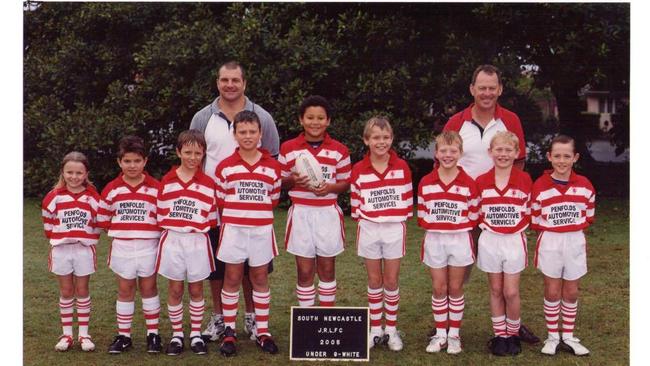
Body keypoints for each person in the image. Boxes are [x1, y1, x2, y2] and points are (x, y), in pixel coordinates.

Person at [443, 64, 538, 344]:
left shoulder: (511, 120)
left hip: (501, 210)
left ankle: (512, 327)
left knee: (507, 273)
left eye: (491, 88)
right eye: (481, 87)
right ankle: (447, 327)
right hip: (463, 208)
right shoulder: (456, 122)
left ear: (500, 89)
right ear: (472, 89)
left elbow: (519, 161)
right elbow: (444, 160)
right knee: (458, 268)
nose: (486, 93)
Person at [190, 61, 280, 343]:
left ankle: (253, 319)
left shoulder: (261, 116)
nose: (230, 85)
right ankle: (219, 319)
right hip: (212, 204)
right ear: (217, 82)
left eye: (235, 80)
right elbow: (193, 158)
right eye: (224, 80)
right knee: (219, 267)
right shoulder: (203, 117)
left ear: (244, 83)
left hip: (250, 211)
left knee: (253, 267)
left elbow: (273, 158)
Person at [214, 111, 282, 356]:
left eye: (252, 131)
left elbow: (273, 199)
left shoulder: (273, 167)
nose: (247, 136)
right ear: (235, 135)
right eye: (242, 132)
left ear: (260, 134)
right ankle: (230, 332)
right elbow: (221, 199)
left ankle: (262, 331)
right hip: (234, 230)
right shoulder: (225, 167)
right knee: (231, 278)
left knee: (260, 278)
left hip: (261, 230)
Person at [279, 95, 351, 307]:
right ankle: (307, 320)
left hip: (327, 212)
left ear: (328, 121)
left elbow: (346, 183)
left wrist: (330, 188)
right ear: (301, 120)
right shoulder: (289, 148)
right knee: (304, 270)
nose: (315, 122)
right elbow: (281, 182)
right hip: (301, 212)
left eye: (320, 118)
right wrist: (293, 180)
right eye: (310, 117)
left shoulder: (339, 150)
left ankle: (325, 317)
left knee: (327, 268)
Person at [350, 117, 413, 352]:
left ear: (392, 139)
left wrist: (393, 217)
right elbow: (355, 203)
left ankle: (391, 328)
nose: (381, 142)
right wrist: (368, 217)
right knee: (375, 280)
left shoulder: (402, 166)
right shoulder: (358, 169)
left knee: (391, 280)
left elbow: (408, 201)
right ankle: (375, 328)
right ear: (366, 140)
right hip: (368, 228)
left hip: (394, 228)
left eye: (386, 137)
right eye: (376, 137)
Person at [97, 136, 163, 354]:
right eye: (127, 161)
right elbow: (103, 219)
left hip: (149, 246)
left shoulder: (156, 188)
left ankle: (153, 334)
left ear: (145, 161)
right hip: (123, 247)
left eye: (137, 161)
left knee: (149, 288)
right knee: (125, 290)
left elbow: (163, 217)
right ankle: (124, 336)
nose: (132, 165)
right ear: (119, 162)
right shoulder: (112, 189)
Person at [531, 135, 595, 356]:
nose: (561, 160)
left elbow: (588, 215)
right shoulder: (539, 186)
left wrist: (570, 227)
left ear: (575, 157)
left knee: (571, 291)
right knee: (552, 289)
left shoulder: (585, 185)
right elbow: (535, 218)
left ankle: (567, 335)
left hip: (575, 241)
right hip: (550, 241)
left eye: (567, 156)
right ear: (549, 157)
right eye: (557, 155)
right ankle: (552, 336)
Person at [156, 130, 217, 356]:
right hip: (173, 240)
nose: (193, 157)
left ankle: (196, 335)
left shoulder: (208, 183)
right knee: (175, 287)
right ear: (178, 152)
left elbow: (211, 218)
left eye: (198, 153)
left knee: (196, 288)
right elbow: (161, 215)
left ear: (203, 154)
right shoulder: (167, 181)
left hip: (197, 241)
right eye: (188, 152)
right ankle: (177, 334)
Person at [418, 131, 479, 355]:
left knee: (455, 288)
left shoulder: (468, 183)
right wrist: (440, 223)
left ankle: (454, 334)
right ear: (436, 153)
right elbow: (422, 214)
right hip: (435, 239)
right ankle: (440, 333)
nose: (448, 154)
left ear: (460, 153)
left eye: (453, 151)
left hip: (460, 239)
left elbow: (474, 215)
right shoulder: (426, 181)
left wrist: (454, 224)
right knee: (438, 287)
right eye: (443, 150)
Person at [476, 131, 532, 356]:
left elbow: (528, 210)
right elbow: (477, 210)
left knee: (510, 291)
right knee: (496, 289)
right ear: (490, 152)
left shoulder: (524, 179)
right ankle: (500, 335)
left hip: (513, 240)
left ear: (516, 153)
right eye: (499, 150)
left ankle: (513, 333)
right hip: (490, 240)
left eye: (508, 150)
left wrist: (514, 228)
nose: (503, 154)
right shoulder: (481, 180)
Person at [42, 151, 101, 352]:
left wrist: (86, 239)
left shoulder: (92, 197)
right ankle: (67, 334)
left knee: (82, 290)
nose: (74, 177)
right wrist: (60, 238)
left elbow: (97, 223)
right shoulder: (53, 197)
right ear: (63, 172)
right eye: (70, 172)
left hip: (83, 250)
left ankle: (84, 334)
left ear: (86, 174)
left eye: (79, 173)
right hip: (61, 250)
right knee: (67, 291)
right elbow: (48, 225)